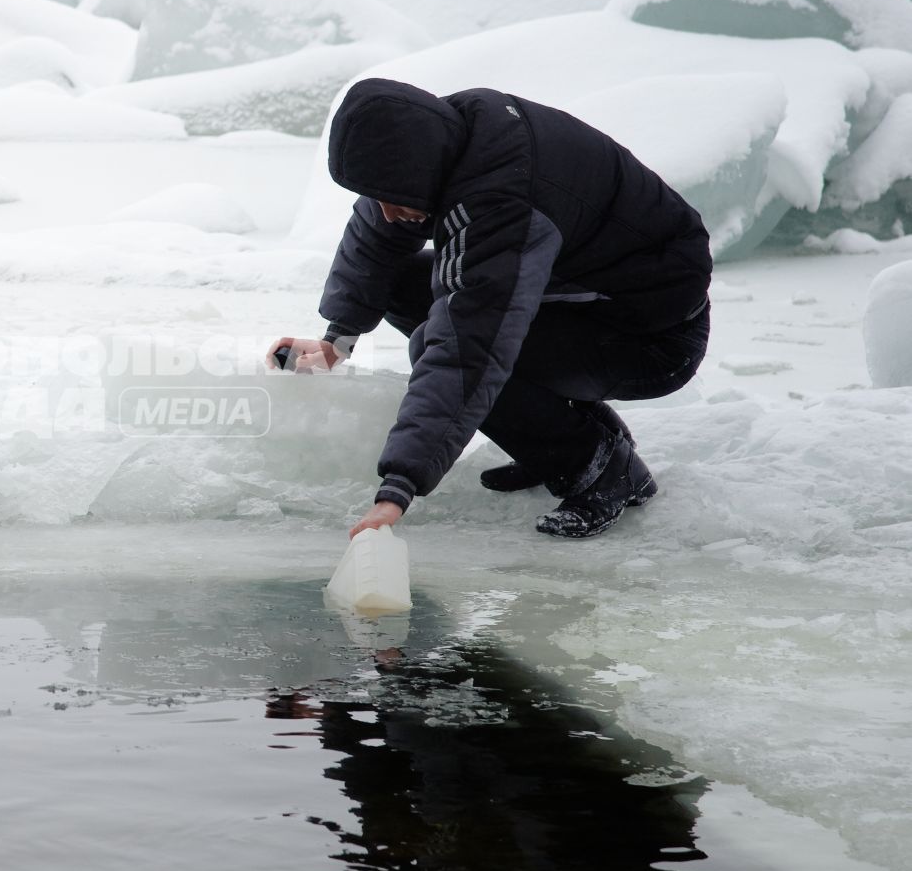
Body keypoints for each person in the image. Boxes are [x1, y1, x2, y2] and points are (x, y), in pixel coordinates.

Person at [269, 78, 711, 539]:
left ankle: (603, 468)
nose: (387, 212)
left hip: (648, 337)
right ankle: (564, 436)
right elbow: (376, 239)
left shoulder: (503, 202)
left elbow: (471, 349)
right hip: (582, 305)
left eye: (390, 197)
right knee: (400, 284)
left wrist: (397, 489)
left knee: (450, 342)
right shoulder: (443, 135)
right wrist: (336, 340)